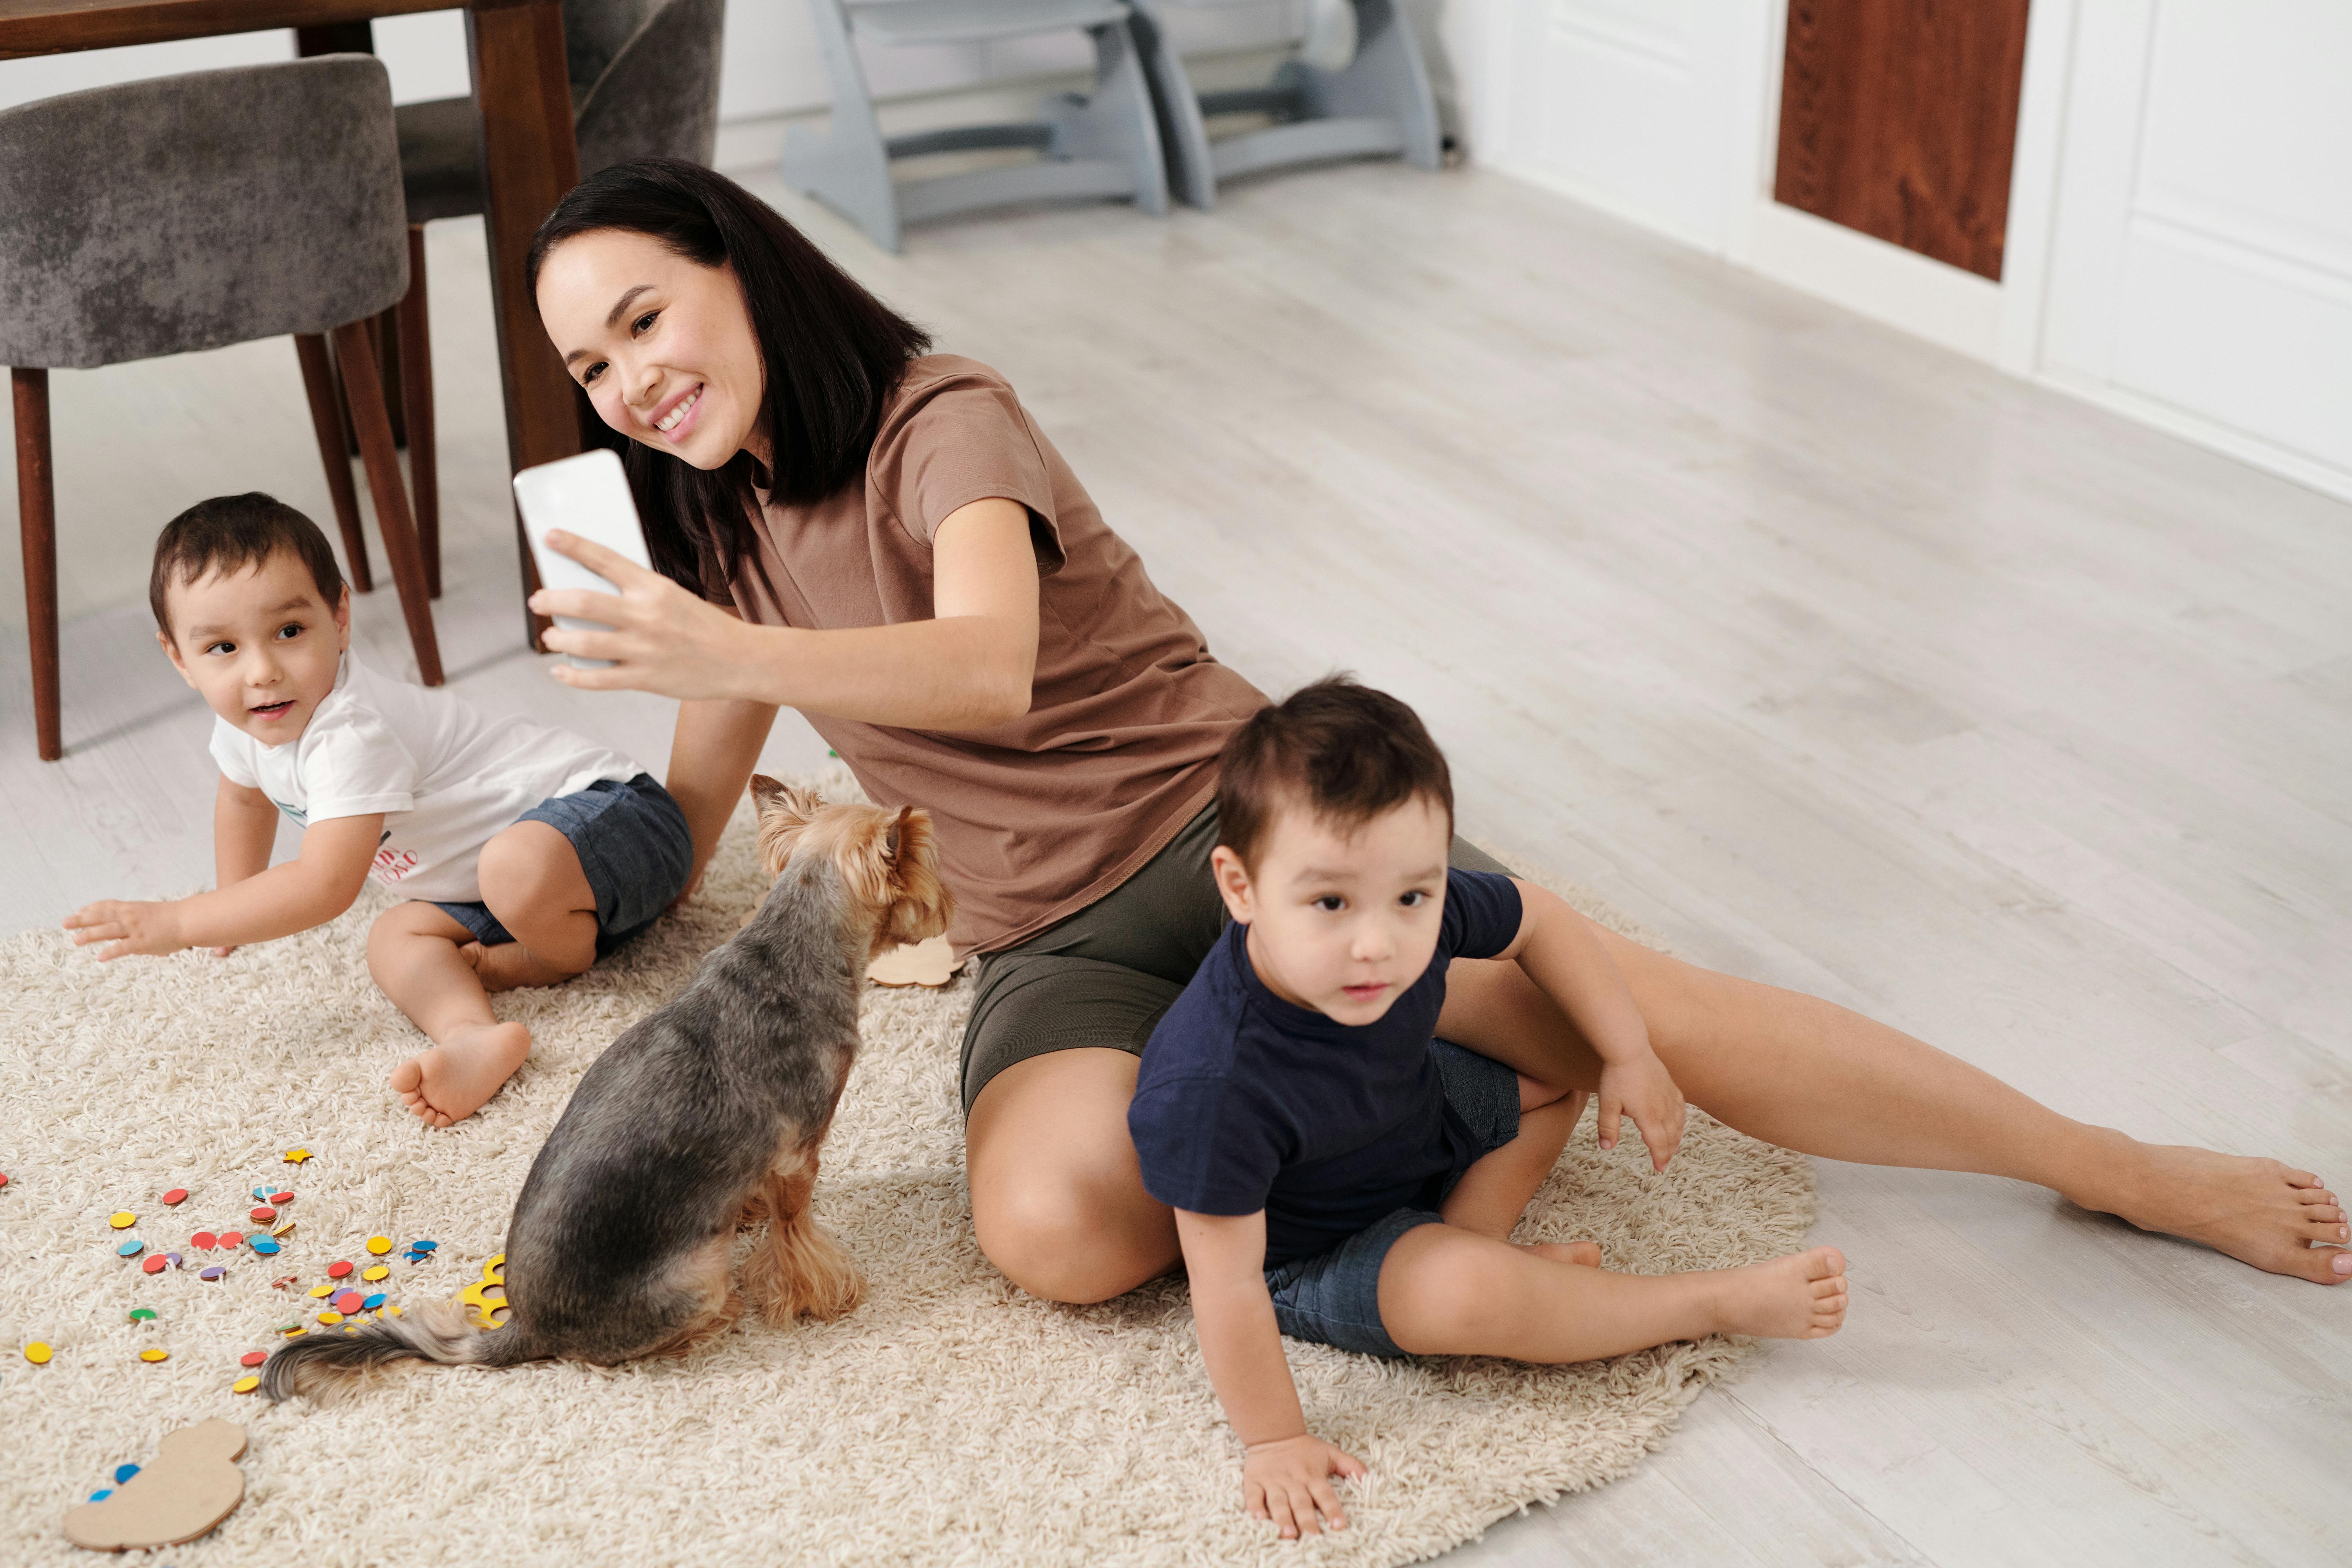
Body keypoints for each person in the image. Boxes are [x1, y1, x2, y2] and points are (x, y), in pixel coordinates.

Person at [515, 157, 2350, 1301]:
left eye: (646, 316)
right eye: (591, 368)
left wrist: (719, 636)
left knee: (1647, 1007)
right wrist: (522, 926)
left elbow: (986, 666)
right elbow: (695, 789)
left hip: (1227, 821)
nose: (633, 379)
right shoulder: (705, 534)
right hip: (1044, 936)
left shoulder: (938, 416)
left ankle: (2108, 1162)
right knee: (1062, 1233)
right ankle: (1412, 1089)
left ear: (739, 264)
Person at [1132, 679, 1848, 1538]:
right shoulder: (1213, 1086)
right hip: (1314, 1250)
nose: (1378, 942)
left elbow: (1539, 917)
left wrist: (1629, 1050)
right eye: (1329, 903)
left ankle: (1472, 1230)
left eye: (1413, 896)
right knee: (1464, 1295)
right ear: (1240, 887)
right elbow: (1227, 1282)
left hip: (1409, 1115)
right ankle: (1706, 1301)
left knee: (1559, 1062)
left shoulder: (1408, 920)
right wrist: (1276, 1437)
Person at [62, 494, 691, 1127]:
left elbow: (325, 886)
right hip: (498, 883)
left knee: (514, 864)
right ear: (180, 660)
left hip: (618, 817)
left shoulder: (351, 733)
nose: (263, 673)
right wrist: (233, 906)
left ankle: (559, 956)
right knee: (393, 938)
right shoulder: (251, 724)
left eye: (289, 632)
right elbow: (244, 798)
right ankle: (471, 1035)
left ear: (339, 617)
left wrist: (182, 922)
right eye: (223, 648)